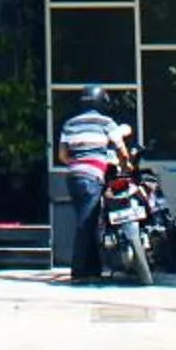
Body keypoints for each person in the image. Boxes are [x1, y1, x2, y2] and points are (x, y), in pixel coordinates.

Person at [57, 86, 136, 285]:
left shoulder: (70, 124)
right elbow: (122, 150)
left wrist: (79, 163)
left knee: (89, 221)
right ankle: (79, 270)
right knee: (86, 223)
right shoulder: (106, 122)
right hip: (92, 177)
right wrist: (127, 165)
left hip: (73, 176)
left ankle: (93, 269)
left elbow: (62, 156)